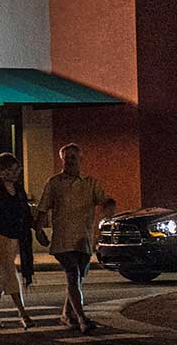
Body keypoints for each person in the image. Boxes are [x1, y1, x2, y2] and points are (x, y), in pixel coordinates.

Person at [36, 143, 113, 335]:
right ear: (62, 159)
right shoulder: (54, 183)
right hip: (62, 239)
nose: (69, 160)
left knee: (77, 278)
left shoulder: (90, 183)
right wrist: (38, 230)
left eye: (73, 157)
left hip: (83, 239)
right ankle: (82, 318)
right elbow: (43, 208)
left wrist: (109, 207)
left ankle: (66, 314)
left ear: (80, 159)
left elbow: (103, 200)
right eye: (66, 157)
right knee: (72, 274)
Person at [0, 152, 35, 329]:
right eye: (12, 169)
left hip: (14, 236)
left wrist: (35, 228)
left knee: (2, 275)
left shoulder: (18, 189)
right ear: (1, 171)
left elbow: (25, 212)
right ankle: (23, 313)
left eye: (16, 169)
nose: (16, 172)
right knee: (9, 271)